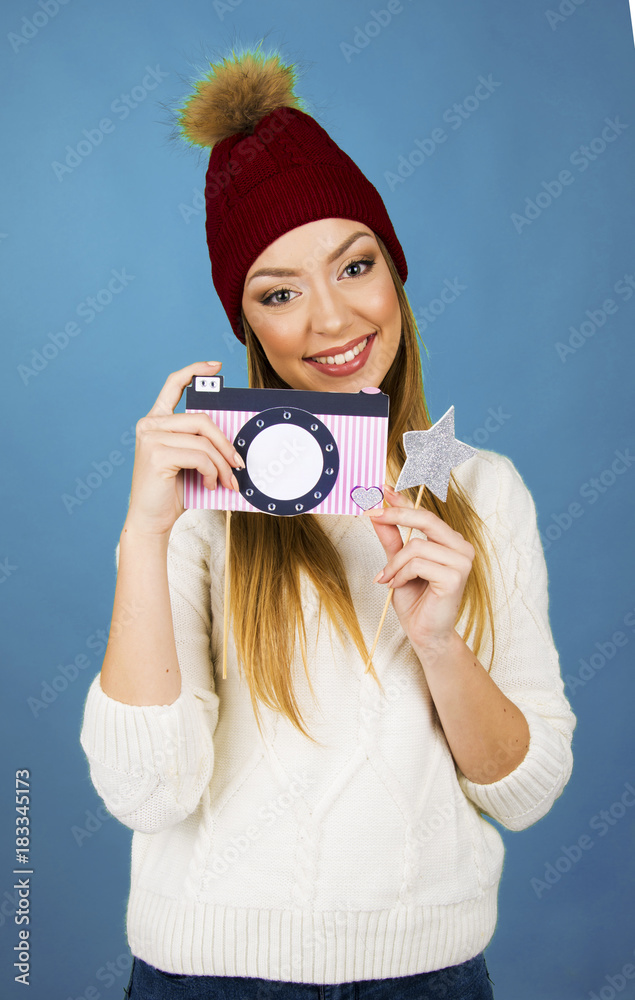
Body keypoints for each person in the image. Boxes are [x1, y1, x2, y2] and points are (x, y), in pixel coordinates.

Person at [79, 46, 576, 1000]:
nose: (333, 318)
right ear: (248, 324)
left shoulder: (482, 488)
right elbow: (147, 793)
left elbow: (522, 789)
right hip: (205, 975)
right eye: (278, 292)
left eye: (355, 265)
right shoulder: (200, 495)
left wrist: (439, 644)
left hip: (425, 974)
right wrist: (142, 536)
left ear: (394, 270)